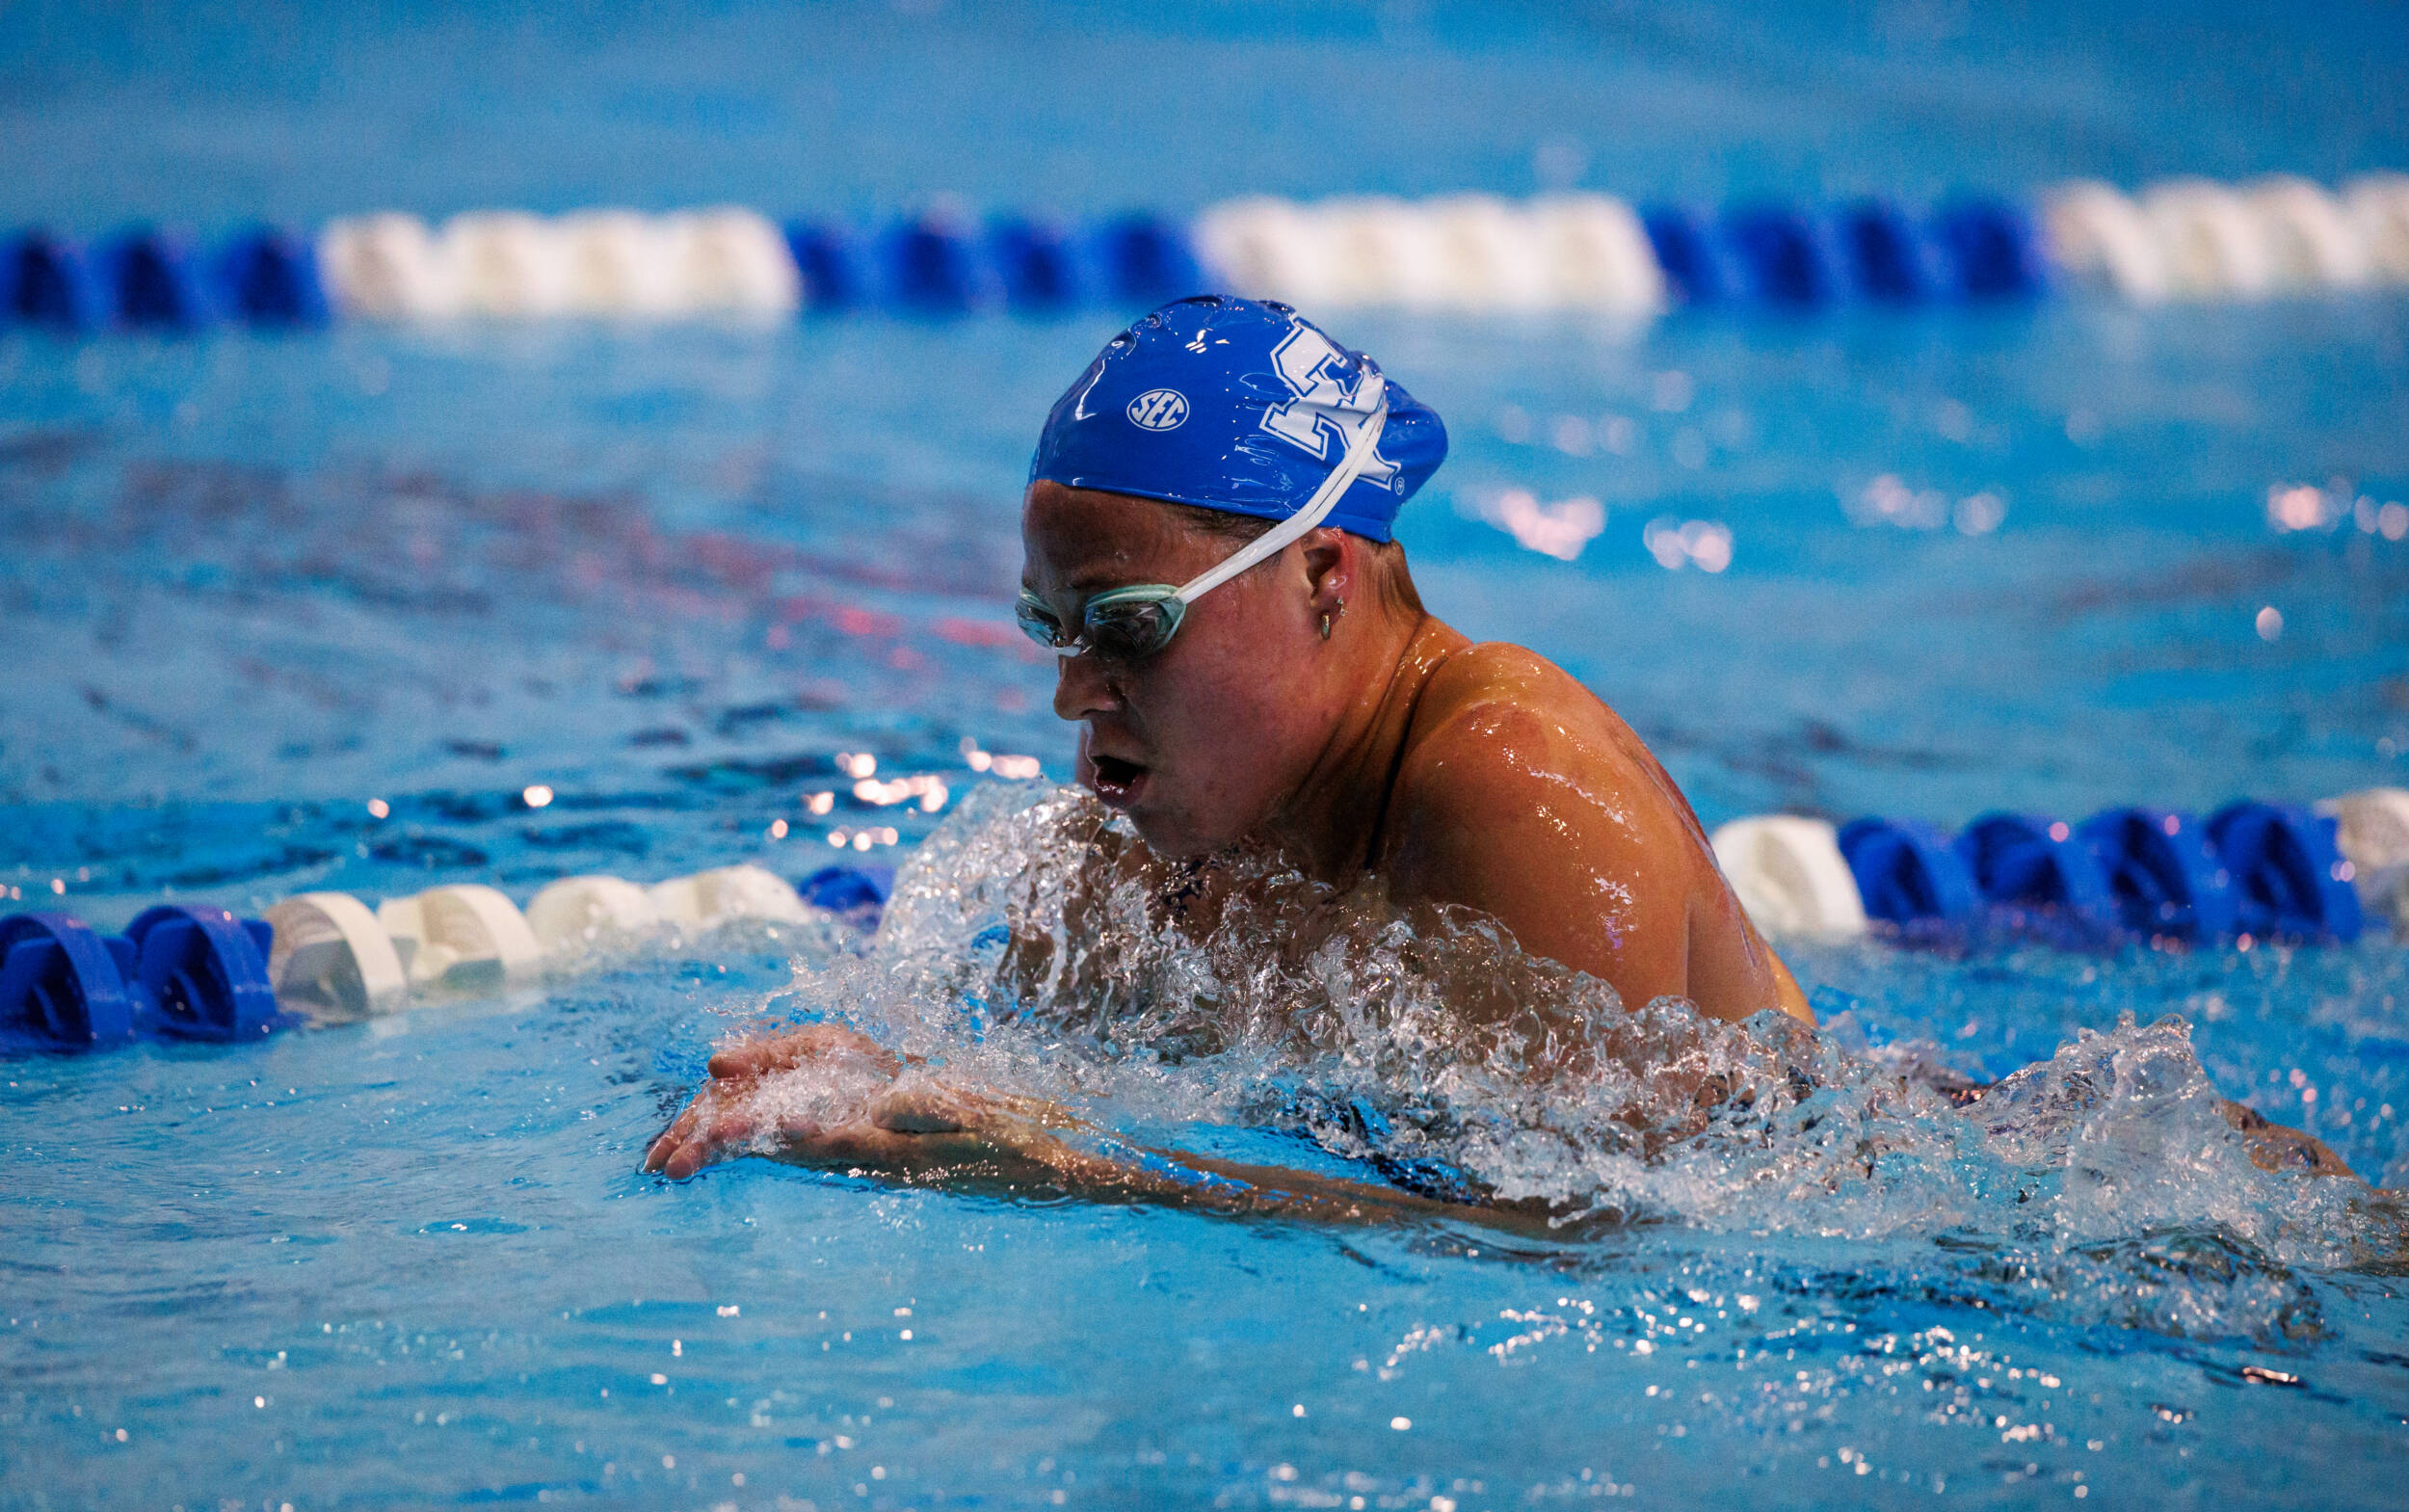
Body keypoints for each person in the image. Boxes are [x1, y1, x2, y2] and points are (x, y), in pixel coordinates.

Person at [645, 297, 2346, 1211]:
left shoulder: (1509, 784)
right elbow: (1020, 1074)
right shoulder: (1163, 829)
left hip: (2026, 1232)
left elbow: (1581, 1233)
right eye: (1051, 630)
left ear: (1324, 574)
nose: (1076, 692)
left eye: (1129, 628)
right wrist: (878, 1073)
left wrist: (1082, 1174)